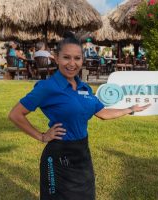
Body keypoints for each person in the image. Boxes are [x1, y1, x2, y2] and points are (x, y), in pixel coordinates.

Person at [8, 32, 150, 200]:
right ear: (56, 58)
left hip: (82, 153)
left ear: (82, 60)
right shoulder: (47, 87)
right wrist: (42, 136)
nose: (72, 63)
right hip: (59, 155)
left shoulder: (85, 88)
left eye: (77, 58)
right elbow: (16, 114)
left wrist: (129, 109)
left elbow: (102, 113)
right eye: (66, 57)